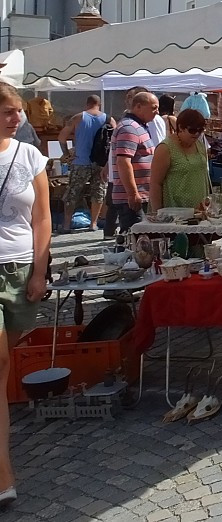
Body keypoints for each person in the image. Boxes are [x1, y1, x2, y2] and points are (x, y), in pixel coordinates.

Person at [0, 82, 50, 509]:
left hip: (18, 270)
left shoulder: (29, 155)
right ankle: (4, 474)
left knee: (3, 364)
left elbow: (41, 217)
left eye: (18, 111)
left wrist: (40, 270)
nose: (17, 119)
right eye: (7, 112)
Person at [57, 94, 113, 233]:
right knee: (98, 192)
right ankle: (93, 223)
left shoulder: (78, 117)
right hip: (100, 162)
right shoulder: (108, 119)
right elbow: (116, 140)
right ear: (99, 104)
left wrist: (66, 154)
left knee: (72, 193)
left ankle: (66, 225)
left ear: (87, 104)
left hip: (80, 161)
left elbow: (62, 137)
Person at [111, 91, 159, 234]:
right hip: (131, 198)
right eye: (153, 108)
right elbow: (123, 161)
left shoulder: (140, 127)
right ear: (138, 107)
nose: (157, 112)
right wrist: (132, 194)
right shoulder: (129, 128)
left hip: (141, 195)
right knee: (135, 238)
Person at [149, 109, 210, 213]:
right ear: (181, 127)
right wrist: (157, 213)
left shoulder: (199, 145)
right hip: (175, 211)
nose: (196, 134)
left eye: (200, 130)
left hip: (199, 211)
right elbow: (155, 183)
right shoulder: (165, 148)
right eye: (192, 130)